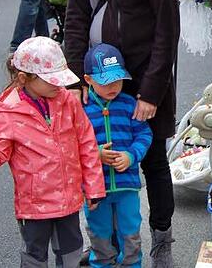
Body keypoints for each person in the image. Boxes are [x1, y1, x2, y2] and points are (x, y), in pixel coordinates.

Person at [64, 0, 180, 266]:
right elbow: (76, 17)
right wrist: (76, 76)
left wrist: (151, 92)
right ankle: (101, 244)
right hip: (98, 75)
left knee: (152, 159)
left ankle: (161, 241)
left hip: (147, 74)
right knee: (94, 154)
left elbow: (167, 31)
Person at [0, 36, 105, 267]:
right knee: (33, 258)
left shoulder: (67, 100)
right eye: (51, 80)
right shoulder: (9, 112)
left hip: (69, 201)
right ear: (23, 78)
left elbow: (87, 143)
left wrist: (94, 186)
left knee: (71, 254)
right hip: (33, 207)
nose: (58, 85)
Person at [82, 43, 153, 268]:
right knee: (99, 236)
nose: (114, 86)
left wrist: (131, 156)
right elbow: (73, 145)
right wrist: (96, 154)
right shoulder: (81, 110)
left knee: (131, 234)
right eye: (106, 81)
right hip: (95, 189)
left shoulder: (129, 104)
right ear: (88, 79)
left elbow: (144, 134)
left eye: (118, 80)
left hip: (127, 186)